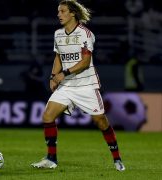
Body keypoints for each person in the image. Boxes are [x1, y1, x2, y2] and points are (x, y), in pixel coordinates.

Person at [31, 0, 125, 171]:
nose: (59, 14)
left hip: (86, 85)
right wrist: (53, 76)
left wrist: (63, 74)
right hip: (66, 87)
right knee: (47, 116)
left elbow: (85, 62)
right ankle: (51, 159)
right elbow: (58, 57)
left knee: (101, 122)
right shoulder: (58, 34)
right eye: (58, 11)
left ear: (72, 13)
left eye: (62, 11)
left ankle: (117, 158)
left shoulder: (85, 34)